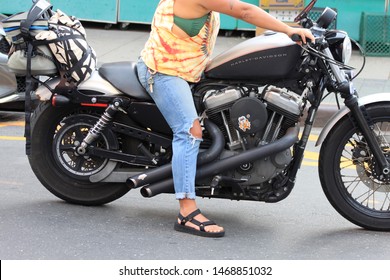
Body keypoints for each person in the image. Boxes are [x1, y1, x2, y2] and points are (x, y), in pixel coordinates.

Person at [137, 0, 315, 238]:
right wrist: (288, 30)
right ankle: (186, 211)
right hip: (164, 71)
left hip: (189, 67)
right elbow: (244, 10)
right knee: (190, 132)